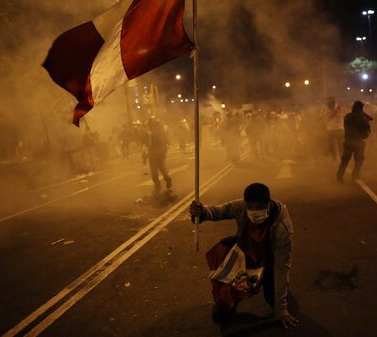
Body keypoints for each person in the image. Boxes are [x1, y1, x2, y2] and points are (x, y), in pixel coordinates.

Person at [189, 183, 299, 329]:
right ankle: (226, 301)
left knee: (273, 300)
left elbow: (282, 268)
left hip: (268, 260)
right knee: (224, 253)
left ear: (269, 204)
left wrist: (282, 309)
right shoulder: (240, 207)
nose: (254, 211)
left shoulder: (282, 228)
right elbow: (218, 211)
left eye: (259, 207)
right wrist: (201, 212)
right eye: (251, 207)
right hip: (245, 250)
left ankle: (278, 294)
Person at [337, 101, 371, 181]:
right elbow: (366, 133)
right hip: (358, 142)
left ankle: (339, 175)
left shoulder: (347, 116)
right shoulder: (362, 118)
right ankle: (355, 174)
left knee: (345, 161)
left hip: (348, 141)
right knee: (359, 160)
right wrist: (367, 121)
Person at [147, 116, 172, 191]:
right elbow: (166, 140)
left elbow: (150, 143)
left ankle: (158, 185)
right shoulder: (161, 129)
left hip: (155, 152)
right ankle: (167, 180)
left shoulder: (153, 132)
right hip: (160, 152)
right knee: (161, 167)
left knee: (154, 170)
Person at [324, 96, 345, 162]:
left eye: (328, 101)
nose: (327, 102)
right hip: (330, 129)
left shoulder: (340, 107)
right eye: (327, 101)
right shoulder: (325, 108)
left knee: (340, 145)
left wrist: (338, 111)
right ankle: (334, 158)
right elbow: (328, 117)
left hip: (339, 128)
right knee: (331, 145)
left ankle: (342, 158)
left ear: (333, 101)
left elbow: (342, 115)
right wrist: (336, 111)